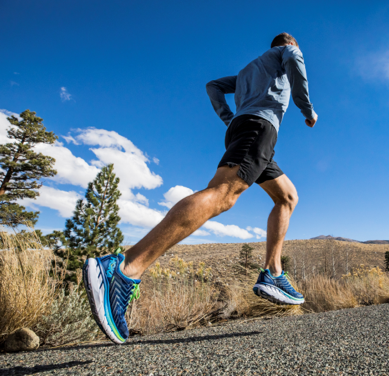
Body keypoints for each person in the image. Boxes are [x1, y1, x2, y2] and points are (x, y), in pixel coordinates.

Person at [82, 32, 318, 344]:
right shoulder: (286, 53)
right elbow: (295, 63)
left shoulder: (249, 71)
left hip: (245, 129)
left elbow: (214, 86)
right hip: (259, 128)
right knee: (223, 194)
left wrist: (227, 118)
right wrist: (306, 109)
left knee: (287, 197)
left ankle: (272, 272)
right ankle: (124, 268)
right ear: (288, 44)